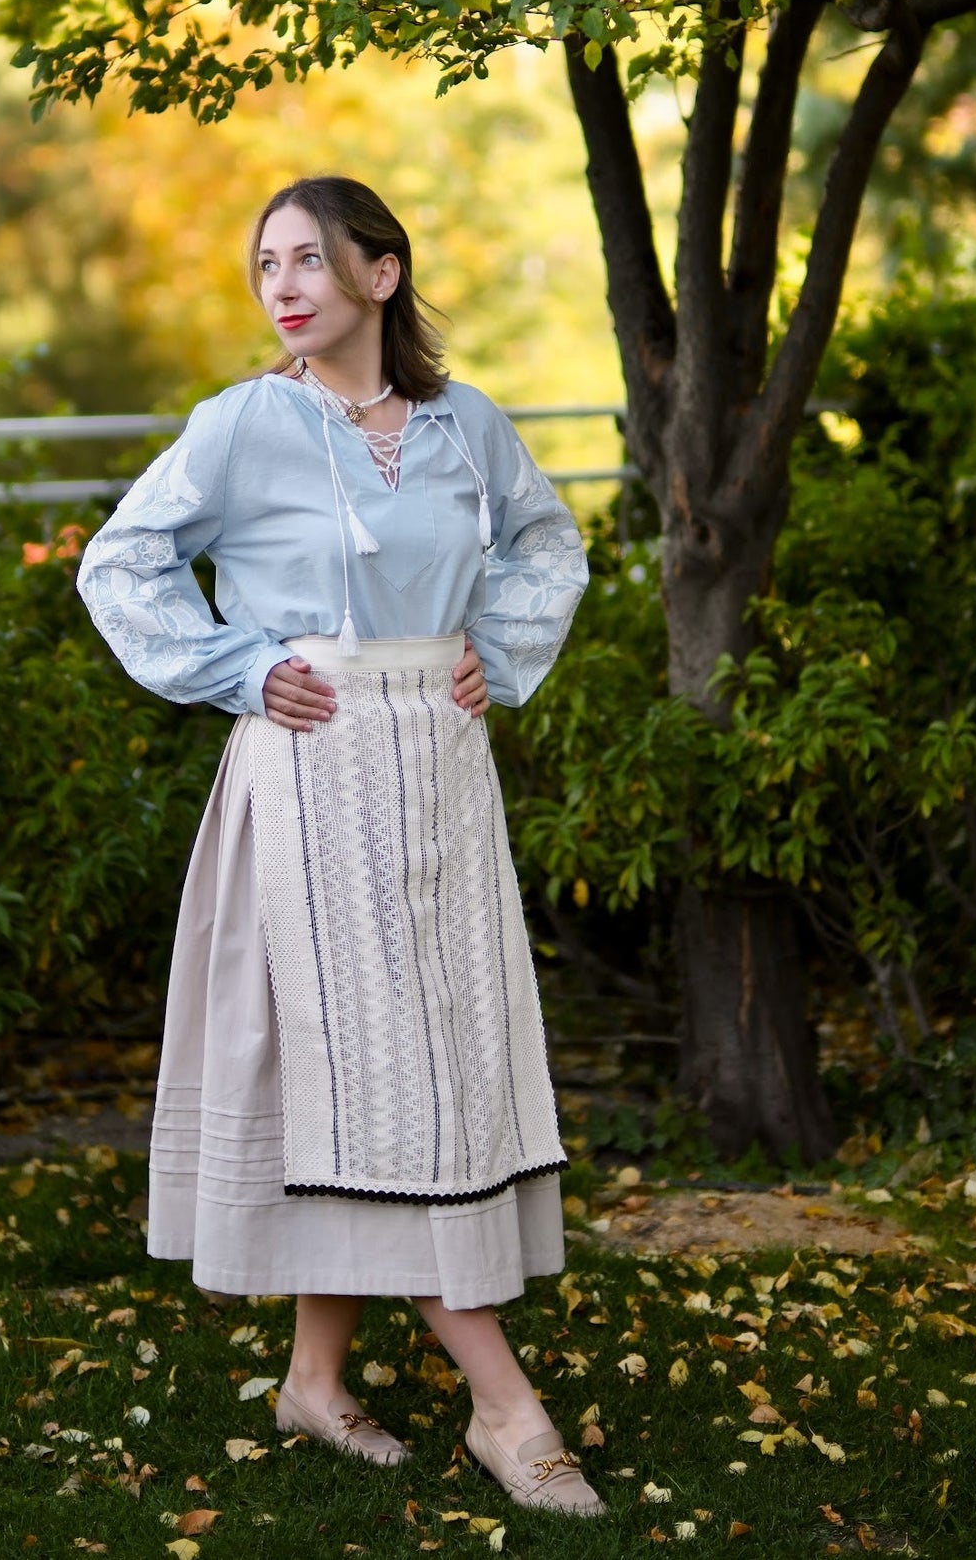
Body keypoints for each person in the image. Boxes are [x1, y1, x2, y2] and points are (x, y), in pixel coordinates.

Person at [76, 176, 600, 1515]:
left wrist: (494, 645)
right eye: (264, 266)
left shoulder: (464, 425)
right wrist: (240, 668)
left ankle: (313, 1380)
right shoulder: (242, 426)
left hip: (437, 771)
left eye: (309, 257)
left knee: (406, 1076)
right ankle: (505, 1404)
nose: (283, 284)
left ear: (381, 272)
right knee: (378, 1081)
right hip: (309, 778)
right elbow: (120, 559)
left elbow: (548, 541)